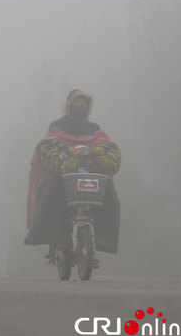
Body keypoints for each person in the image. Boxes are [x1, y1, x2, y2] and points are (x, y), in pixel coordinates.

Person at [25, 89, 121, 253]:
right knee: (53, 187)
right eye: (76, 105)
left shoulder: (94, 128)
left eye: (84, 106)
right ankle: (56, 235)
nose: (80, 108)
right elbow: (50, 144)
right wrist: (67, 159)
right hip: (64, 175)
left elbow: (102, 144)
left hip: (89, 173)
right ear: (69, 106)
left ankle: (104, 238)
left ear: (88, 108)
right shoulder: (58, 125)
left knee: (108, 191)